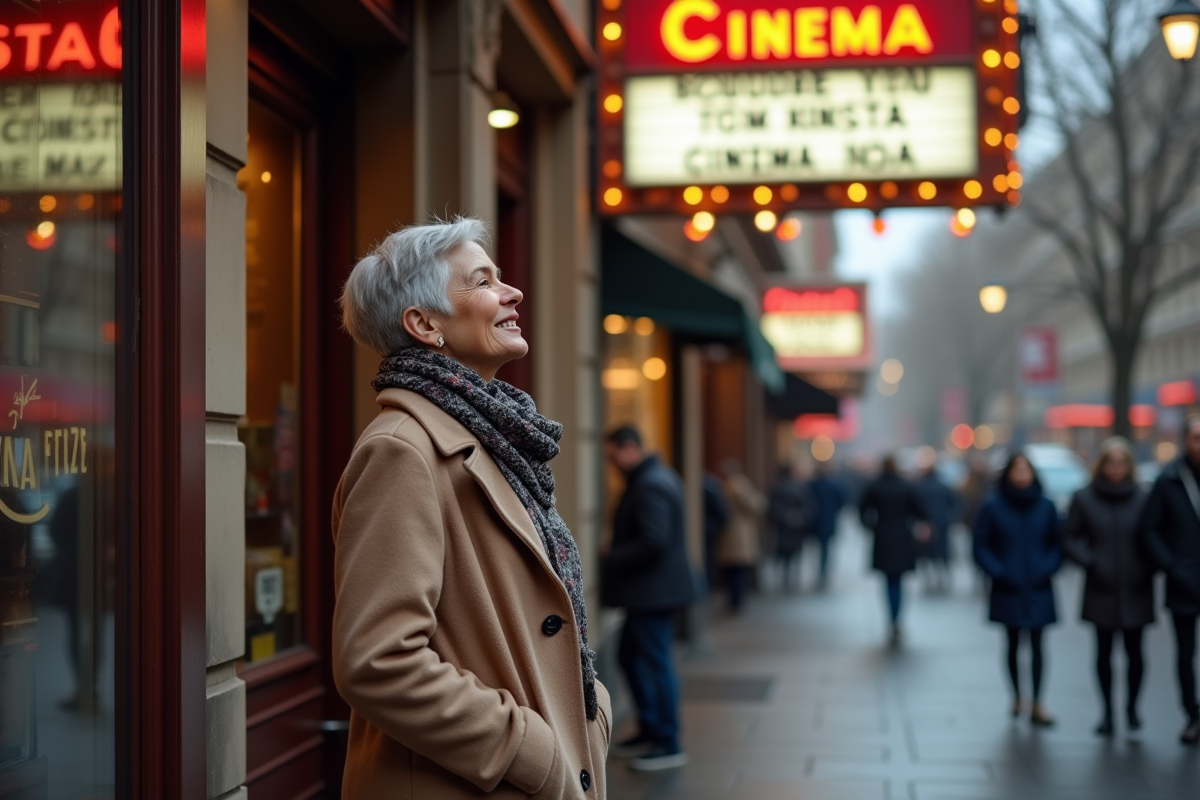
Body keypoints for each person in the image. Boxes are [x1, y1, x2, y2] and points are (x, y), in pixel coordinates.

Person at [332, 218, 610, 799]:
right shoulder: (402, 450)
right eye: (483, 282)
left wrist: (590, 715)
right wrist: (530, 749)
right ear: (424, 323)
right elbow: (378, 660)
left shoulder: (493, 435)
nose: (512, 294)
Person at [601, 426, 694, 771]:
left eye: (613, 457)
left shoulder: (650, 484)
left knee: (656, 665)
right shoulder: (655, 478)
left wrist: (612, 554)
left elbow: (654, 541)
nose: (612, 465)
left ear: (630, 449)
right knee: (631, 658)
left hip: (652, 594)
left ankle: (667, 741)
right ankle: (651, 730)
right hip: (652, 592)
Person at [1063, 437, 1152, 737]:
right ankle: (1107, 712)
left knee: (1135, 652)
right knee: (1103, 653)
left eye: (1121, 462)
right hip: (1100, 586)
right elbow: (1069, 537)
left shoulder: (1143, 498)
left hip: (1136, 585)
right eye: (1111, 462)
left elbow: (1156, 536)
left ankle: (1132, 707)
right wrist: (1091, 561)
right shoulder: (1085, 498)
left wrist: (1149, 565)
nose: (1116, 468)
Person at [973, 452, 1062, 727]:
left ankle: (1037, 701)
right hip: (1007, 587)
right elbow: (980, 546)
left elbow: (1057, 543)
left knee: (1038, 645)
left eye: (1026, 470)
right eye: (1017, 470)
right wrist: (999, 572)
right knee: (1011, 644)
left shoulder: (1046, 506)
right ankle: (1016, 697)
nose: (1022, 476)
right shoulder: (993, 507)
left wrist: (1047, 568)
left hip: (1038, 586)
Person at [1139, 414, 1200, 745]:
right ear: (1185, 441)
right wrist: (1171, 566)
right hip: (1184, 582)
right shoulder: (1169, 480)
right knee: (1185, 652)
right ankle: (1193, 714)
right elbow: (1149, 529)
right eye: (1195, 438)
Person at [859, 455, 926, 645]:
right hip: (903, 539)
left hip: (882, 538)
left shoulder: (875, 487)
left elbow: (862, 510)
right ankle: (897, 620)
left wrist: (871, 527)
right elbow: (920, 511)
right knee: (899, 582)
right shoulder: (906, 487)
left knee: (889, 582)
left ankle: (892, 619)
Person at [717, 460, 767, 613]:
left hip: (733, 534)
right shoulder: (735, 485)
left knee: (734, 569)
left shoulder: (729, 485)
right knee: (737, 569)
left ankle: (735, 600)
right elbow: (757, 504)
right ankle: (736, 600)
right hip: (737, 535)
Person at [767, 462, 815, 591]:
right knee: (795, 554)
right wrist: (799, 518)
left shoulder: (777, 487)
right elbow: (809, 508)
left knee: (784, 554)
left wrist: (785, 517)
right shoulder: (800, 487)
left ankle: (785, 578)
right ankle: (792, 578)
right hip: (796, 528)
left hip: (784, 527)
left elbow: (772, 509)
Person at [914, 460, 960, 593]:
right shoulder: (944, 486)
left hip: (926, 525)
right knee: (942, 552)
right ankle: (943, 577)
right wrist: (950, 518)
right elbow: (955, 503)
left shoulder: (920, 487)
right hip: (942, 524)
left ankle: (929, 578)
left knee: (926, 553)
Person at [808, 462, 846, 588]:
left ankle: (821, 571)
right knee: (825, 548)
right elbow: (842, 501)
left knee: (819, 547)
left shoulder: (812, 485)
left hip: (815, 521)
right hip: (828, 521)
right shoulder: (833, 485)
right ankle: (823, 572)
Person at [702, 472, 731, 594]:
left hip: (708, 531)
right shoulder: (709, 486)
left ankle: (707, 588)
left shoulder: (707, 487)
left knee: (708, 560)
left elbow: (722, 512)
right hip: (709, 530)